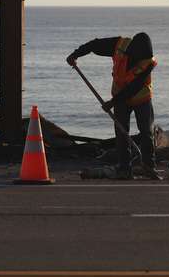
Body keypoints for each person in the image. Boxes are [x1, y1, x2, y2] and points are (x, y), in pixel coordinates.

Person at [67, 32, 160, 180]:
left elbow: (133, 87)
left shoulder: (147, 62)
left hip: (141, 99)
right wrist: (76, 54)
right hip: (120, 99)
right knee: (122, 133)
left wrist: (112, 103)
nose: (139, 59)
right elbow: (94, 45)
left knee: (146, 133)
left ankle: (149, 166)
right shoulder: (120, 45)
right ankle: (124, 169)